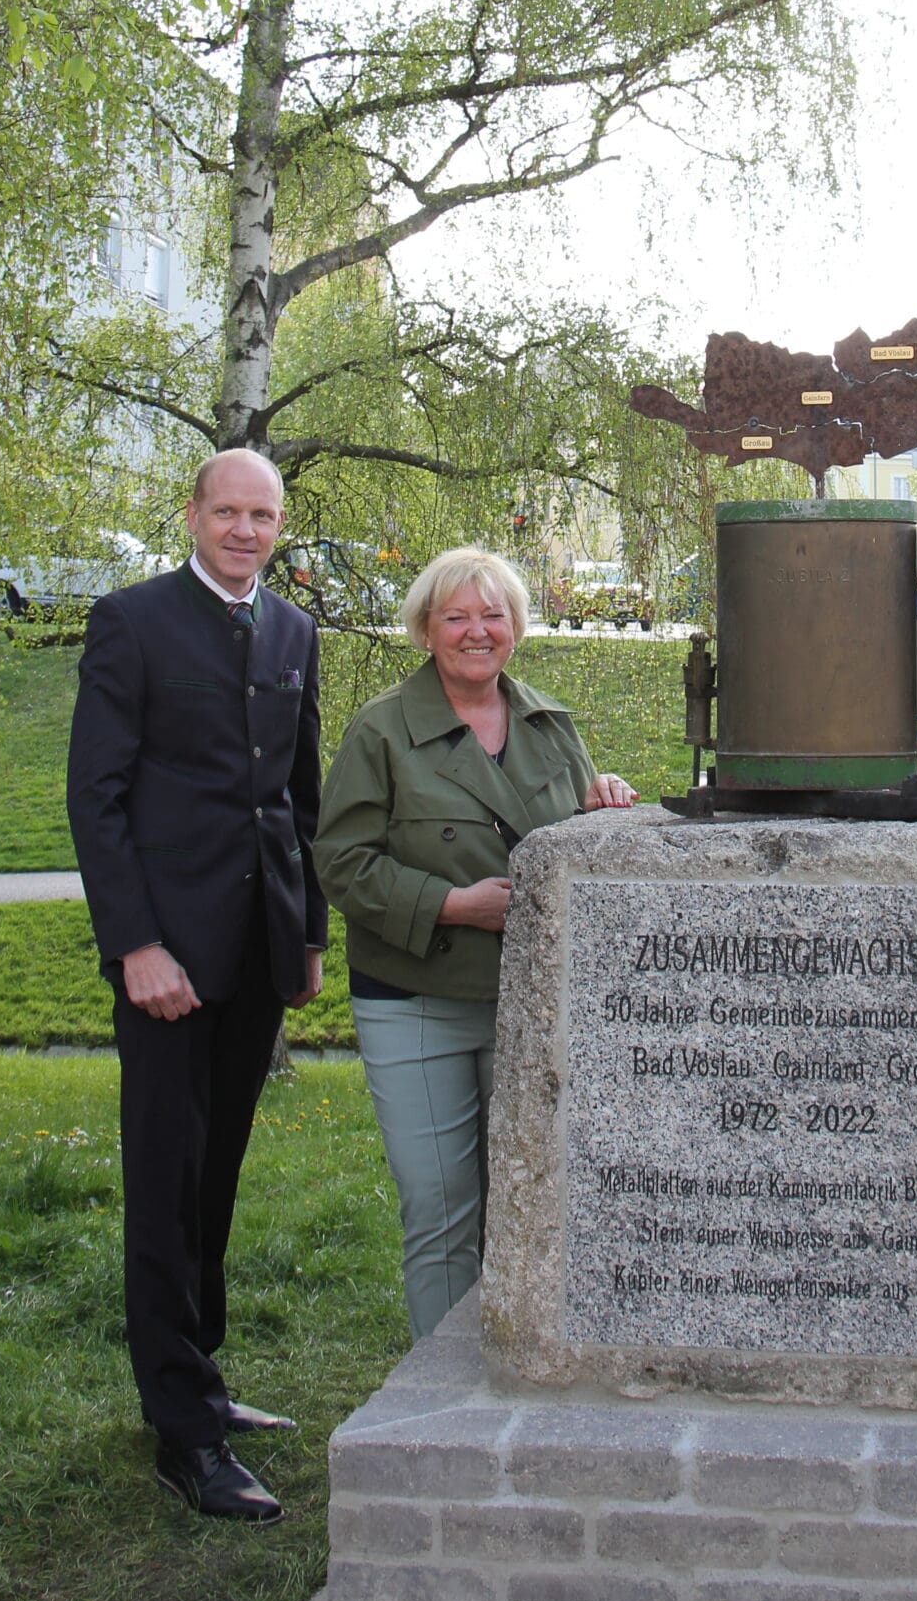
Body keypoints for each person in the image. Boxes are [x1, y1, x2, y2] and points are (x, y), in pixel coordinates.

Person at [67, 449, 325, 1523]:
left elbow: (298, 798)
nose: (244, 530)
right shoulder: (131, 621)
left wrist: (307, 933)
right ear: (192, 514)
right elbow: (96, 795)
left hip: (257, 952)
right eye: (227, 511)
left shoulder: (293, 629)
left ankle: (201, 1380)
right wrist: (135, 945)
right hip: (166, 961)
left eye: (262, 515)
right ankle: (182, 1433)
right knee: (165, 1182)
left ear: (278, 524)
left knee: (215, 1176)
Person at [314, 547, 636, 1340]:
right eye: (455, 616)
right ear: (425, 629)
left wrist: (602, 801)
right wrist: (454, 906)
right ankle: (440, 1383)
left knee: (524, 1201)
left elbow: (570, 843)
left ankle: (518, 1367)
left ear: (516, 627)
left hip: (527, 1003)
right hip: (415, 1002)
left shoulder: (549, 726)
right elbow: (341, 863)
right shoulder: (381, 730)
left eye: (493, 615)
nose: (475, 632)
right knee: (440, 1208)